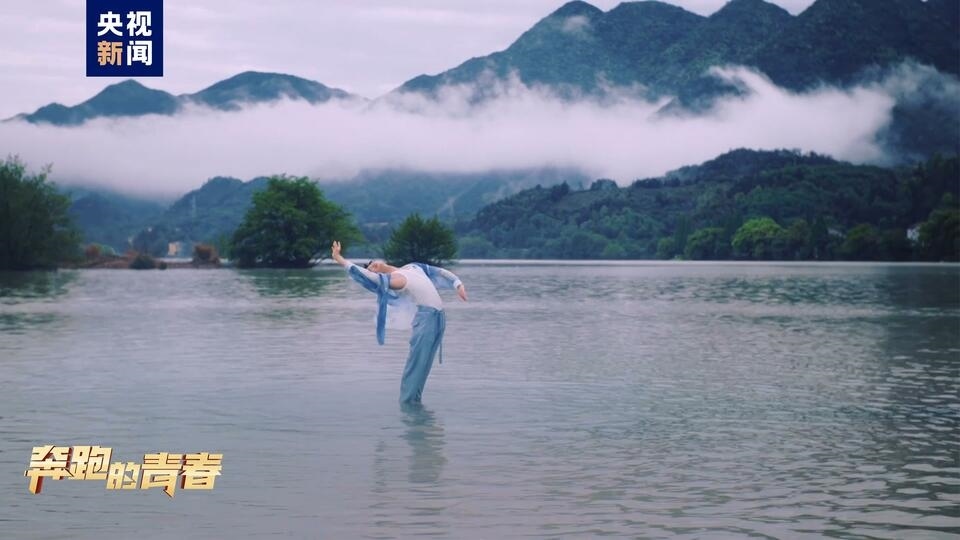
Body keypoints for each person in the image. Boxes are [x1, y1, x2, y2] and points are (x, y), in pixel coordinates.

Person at [330, 241, 467, 403]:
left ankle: (415, 406)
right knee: (416, 365)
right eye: (369, 268)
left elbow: (439, 272)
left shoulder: (413, 267)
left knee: (424, 366)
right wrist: (339, 258)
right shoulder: (395, 280)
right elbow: (363, 274)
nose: (372, 265)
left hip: (439, 318)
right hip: (426, 320)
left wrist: (458, 284)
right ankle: (408, 405)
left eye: (372, 262)